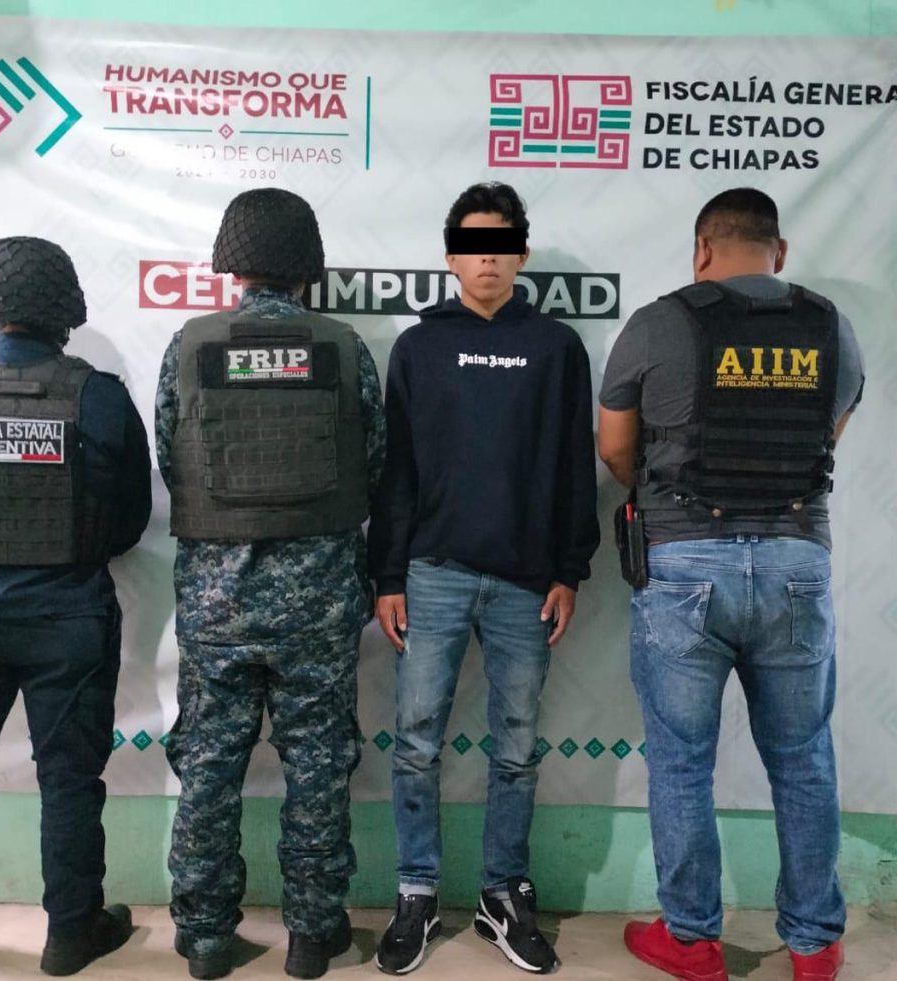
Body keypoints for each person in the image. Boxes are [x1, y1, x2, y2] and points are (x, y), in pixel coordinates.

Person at [597, 187, 863, 981]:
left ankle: (692, 939)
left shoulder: (658, 322)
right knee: (804, 759)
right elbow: (827, 437)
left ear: (702, 250)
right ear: (779, 251)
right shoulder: (831, 327)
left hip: (684, 566)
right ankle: (815, 945)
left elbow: (615, 448)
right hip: (794, 564)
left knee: (682, 762)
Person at [0, 236, 153, 977]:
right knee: (69, 780)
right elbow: (132, 519)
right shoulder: (100, 395)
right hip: (68, 617)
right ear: (67, 311)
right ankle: (70, 934)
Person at [368, 182, 600, 975]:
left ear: (521, 255)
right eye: (472, 245)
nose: (487, 259)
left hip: (526, 580)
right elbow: (396, 469)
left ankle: (503, 893)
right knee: (416, 742)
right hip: (430, 574)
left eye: (500, 244)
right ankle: (416, 891)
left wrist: (570, 568)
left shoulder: (557, 347)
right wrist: (388, 572)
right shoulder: (419, 347)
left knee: (517, 747)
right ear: (451, 257)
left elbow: (575, 464)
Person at [156, 188, 386, 981]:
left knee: (209, 768)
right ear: (307, 269)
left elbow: (171, 456)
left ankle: (205, 936)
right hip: (319, 601)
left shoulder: (190, 344)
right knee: (318, 766)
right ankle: (312, 935)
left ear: (232, 265)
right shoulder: (343, 347)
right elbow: (374, 460)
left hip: (216, 604)